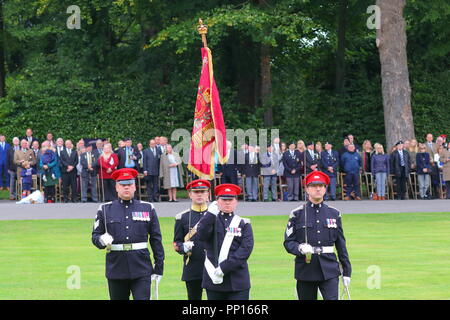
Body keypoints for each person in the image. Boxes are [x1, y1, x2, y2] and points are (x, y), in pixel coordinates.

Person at [91, 168, 165, 300]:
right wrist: (102, 240)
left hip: (141, 266)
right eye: (123, 185)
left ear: (135, 186)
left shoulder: (147, 208)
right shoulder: (105, 209)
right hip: (116, 267)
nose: (126, 188)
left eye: (129, 184)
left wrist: (159, 266)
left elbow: (156, 239)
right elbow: (95, 236)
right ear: (116, 187)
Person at [283, 171, 351, 300]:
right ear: (307, 189)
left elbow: (341, 245)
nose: (318, 189)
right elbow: (288, 242)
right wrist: (300, 248)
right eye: (314, 186)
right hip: (306, 269)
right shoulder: (297, 214)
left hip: (329, 269)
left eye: (321, 185)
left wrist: (347, 271)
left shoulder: (334, 214)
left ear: (325, 189)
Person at [196, 183, 254, 300]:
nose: (227, 202)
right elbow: (201, 235)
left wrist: (225, 267)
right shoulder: (210, 220)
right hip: (214, 279)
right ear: (217, 201)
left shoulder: (244, 223)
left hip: (237, 279)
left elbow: (245, 250)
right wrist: (209, 215)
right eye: (224, 199)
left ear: (236, 202)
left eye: (230, 199)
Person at [173, 179, 210, 300]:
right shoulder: (182, 217)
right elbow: (176, 242)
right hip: (192, 266)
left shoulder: (215, 215)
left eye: (202, 191)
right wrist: (182, 247)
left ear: (208, 194)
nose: (199, 194)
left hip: (213, 266)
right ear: (190, 194)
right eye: (196, 192)